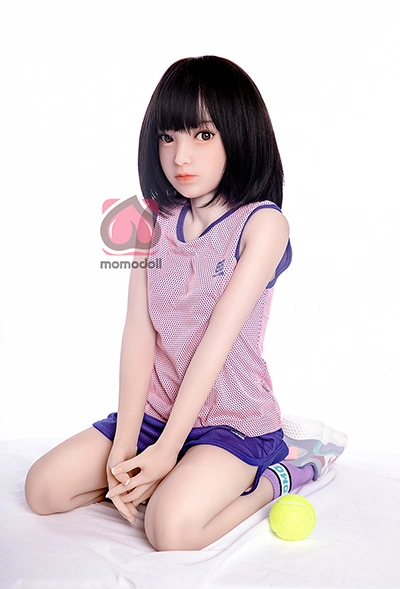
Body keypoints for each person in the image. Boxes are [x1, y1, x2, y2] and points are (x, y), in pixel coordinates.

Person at [25, 56, 347, 551]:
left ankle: (284, 474)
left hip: (230, 421)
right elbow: (139, 331)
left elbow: (217, 341)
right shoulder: (149, 219)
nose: (180, 157)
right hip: (155, 414)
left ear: (239, 135)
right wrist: (127, 443)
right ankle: (172, 478)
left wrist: (168, 450)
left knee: (170, 531)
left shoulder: (263, 225)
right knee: (44, 489)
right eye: (168, 137)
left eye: (203, 135)